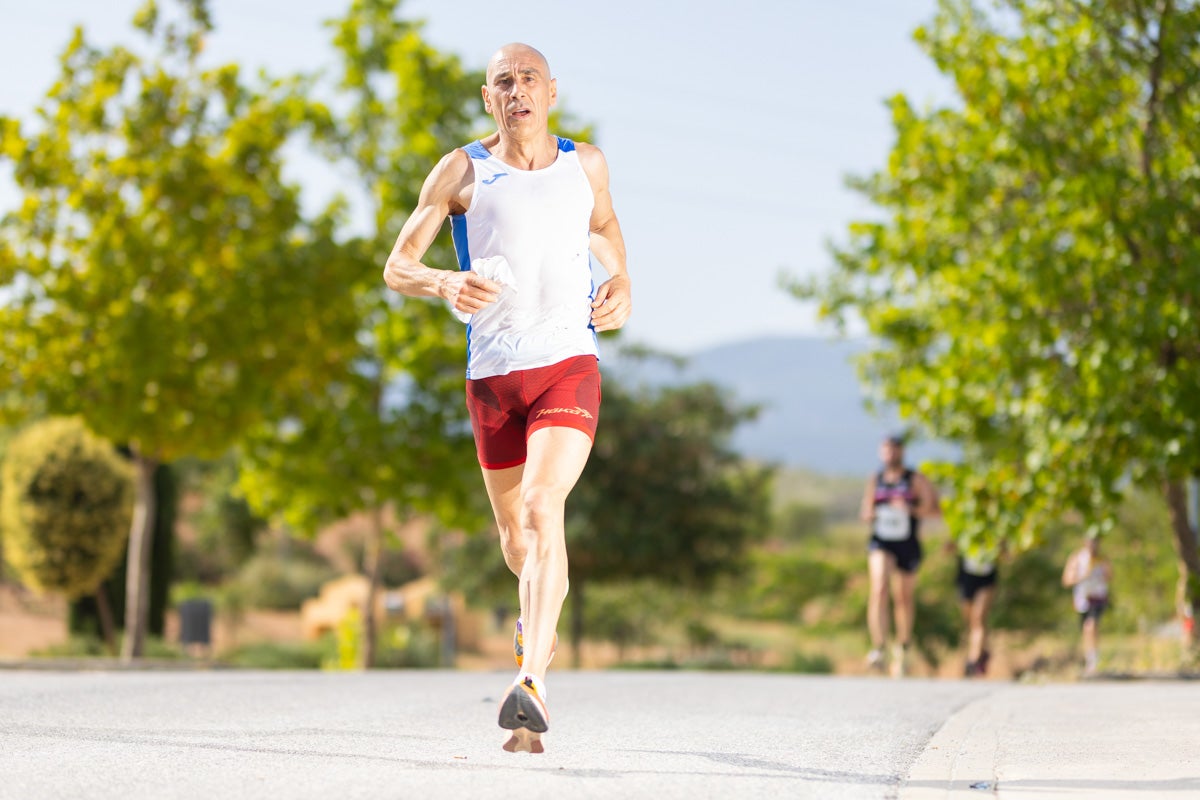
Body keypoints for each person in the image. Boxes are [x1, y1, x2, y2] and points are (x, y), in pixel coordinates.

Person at [382, 43, 629, 753]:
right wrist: (442, 283)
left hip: (567, 363)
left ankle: (531, 682)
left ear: (552, 91)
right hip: (492, 375)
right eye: (503, 82)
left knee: (541, 504)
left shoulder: (587, 164)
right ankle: (536, 626)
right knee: (518, 542)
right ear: (487, 98)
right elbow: (398, 264)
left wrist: (624, 280)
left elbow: (605, 228)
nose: (516, 90)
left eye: (528, 79)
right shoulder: (463, 169)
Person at [859, 433, 940, 677]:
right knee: (879, 587)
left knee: (903, 596)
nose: (890, 455)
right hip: (882, 541)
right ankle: (879, 647)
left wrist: (909, 508)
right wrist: (874, 514)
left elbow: (934, 509)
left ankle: (903, 646)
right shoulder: (876, 479)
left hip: (907, 542)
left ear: (901, 452)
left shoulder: (915, 479)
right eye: (885, 450)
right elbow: (865, 510)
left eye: (894, 450)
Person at [1061, 533, 1112, 677]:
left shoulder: (1102, 559)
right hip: (1082, 598)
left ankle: (1093, 660)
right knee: (1086, 629)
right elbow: (1066, 580)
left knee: (1091, 626)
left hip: (1097, 597)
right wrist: (1083, 576)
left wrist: (1102, 574)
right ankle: (1089, 658)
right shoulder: (1077, 558)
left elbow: (1110, 576)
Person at [952, 540, 1000, 677]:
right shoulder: (963, 527)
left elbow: (1006, 554)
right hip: (966, 577)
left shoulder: (995, 528)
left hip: (987, 578)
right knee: (970, 620)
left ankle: (973, 661)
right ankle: (982, 651)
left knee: (978, 617)